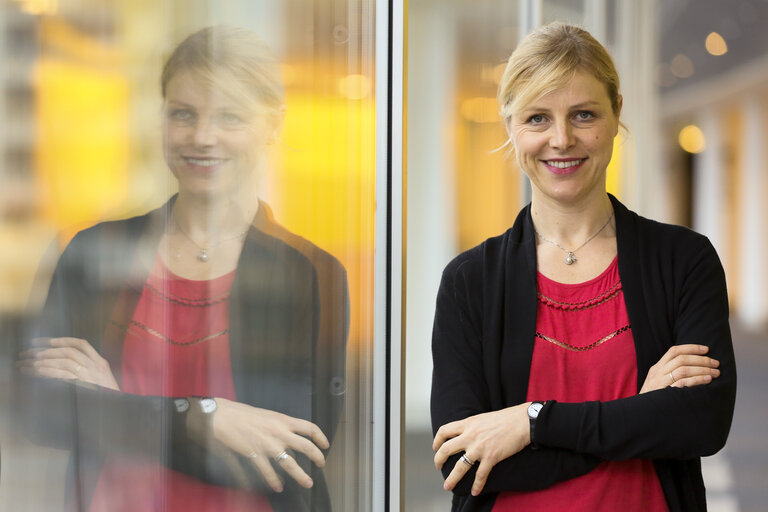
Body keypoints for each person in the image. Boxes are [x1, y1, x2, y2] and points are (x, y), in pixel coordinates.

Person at [16, 25, 348, 512]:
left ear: (273, 124)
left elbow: (289, 455)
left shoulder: (308, 272)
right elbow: (44, 414)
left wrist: (118, 407)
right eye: (183, 114)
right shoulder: (93, 252)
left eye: (230, 117)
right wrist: (205, 418)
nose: (202, 137)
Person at [430, 22, 736, 512]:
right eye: (537, 119)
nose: (562, 139)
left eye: (583, 114)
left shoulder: (684, 261)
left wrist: (529, 423)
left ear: (616, 113)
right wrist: (638, 414)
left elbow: (701, 423)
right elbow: (463, 463)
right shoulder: (470, 282)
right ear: (510, 124)